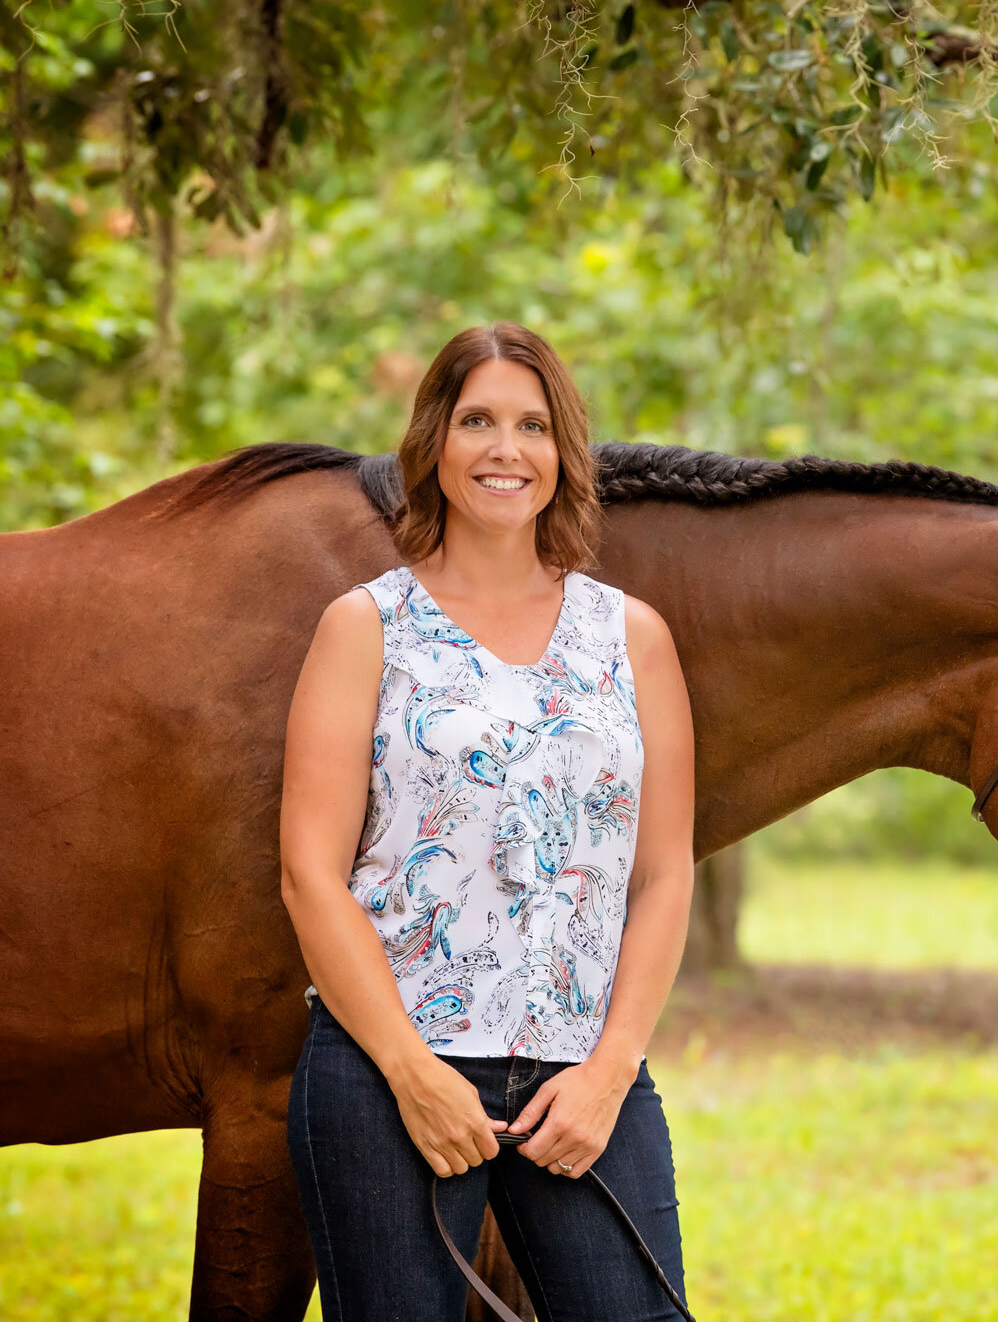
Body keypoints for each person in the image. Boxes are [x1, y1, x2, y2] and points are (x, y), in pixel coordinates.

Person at [278, 322, 696, 1320]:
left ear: (562, 453)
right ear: (433, 443)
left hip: (582, 1075)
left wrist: (610, 1070)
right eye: (477, 421)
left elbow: (663, 873)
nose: (505, 450)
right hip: (389, 1076)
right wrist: (411, 1074)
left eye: (531, 425)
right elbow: (309, 872)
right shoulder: (364, 627)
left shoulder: (630, 637)